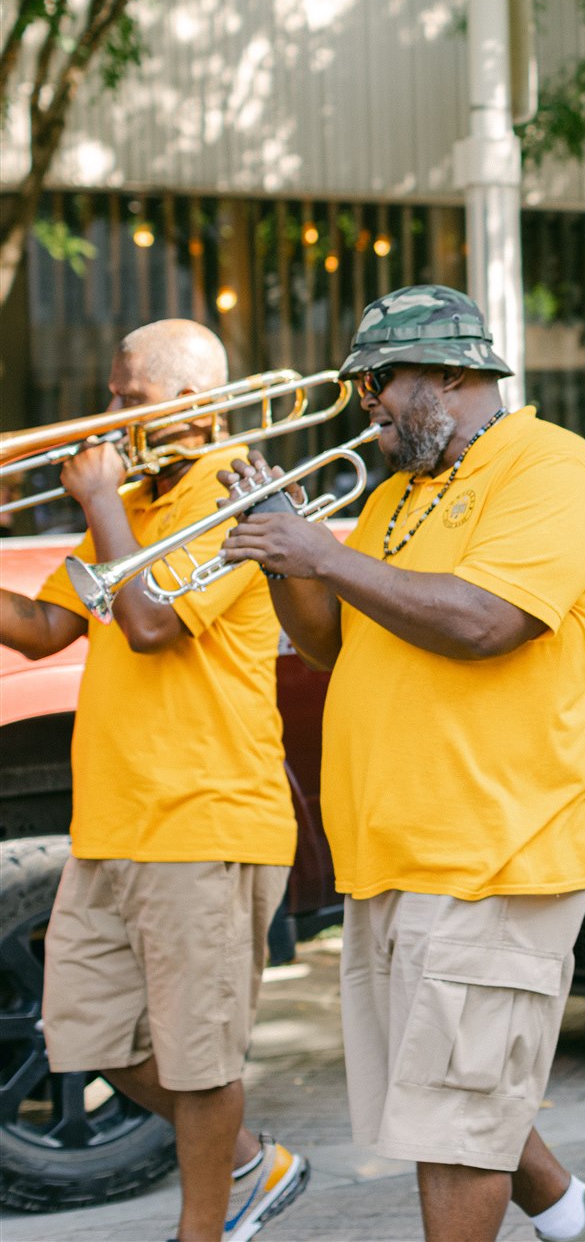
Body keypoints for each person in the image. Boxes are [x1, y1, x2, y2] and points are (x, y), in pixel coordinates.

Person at [216, 286, 585, 1242]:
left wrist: (323, 553)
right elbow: (333, 643)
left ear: (452, 377)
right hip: (398, 853)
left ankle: (576, 1216)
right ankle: (582, 1219)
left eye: (378, 381)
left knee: (458, 1125)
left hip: (494, 848)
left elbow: (485, 622)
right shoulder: (395, 497)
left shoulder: (550, 467)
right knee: (446, 1101)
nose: (365, 401)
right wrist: (281, 556)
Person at [0, 320, 307, 1242]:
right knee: (81, 1037)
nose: (107, 416)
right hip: (115, 822)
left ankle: (203, 1230)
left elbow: (150, 624)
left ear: (192, 403)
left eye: (128, 399)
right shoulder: (137, 497)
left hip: (207, 818)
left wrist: (101, 506)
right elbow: (45, 631)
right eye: (112, 394)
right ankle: (251, 1159)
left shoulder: (239, 493)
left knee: (199, 1061)